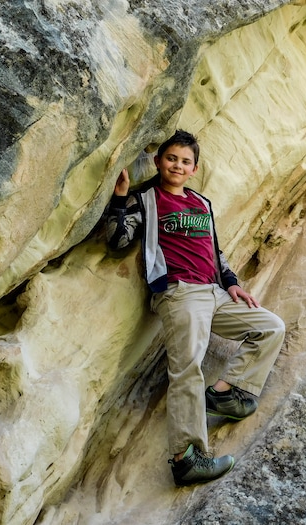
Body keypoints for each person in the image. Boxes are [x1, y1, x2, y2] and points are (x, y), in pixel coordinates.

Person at [106, 130, 285, 486]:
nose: (177, 165)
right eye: (171, 158)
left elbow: (214, 251)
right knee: (187, 370)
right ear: (158, 162)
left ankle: (227, 394)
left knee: (270, 327)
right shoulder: (148, 200)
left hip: (214, 292)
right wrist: (120, 198)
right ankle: (186, 460)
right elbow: (117, 239)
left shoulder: (201, 203)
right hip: (179, 292)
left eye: (185, 161)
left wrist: (231, 281)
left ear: (194, 169)